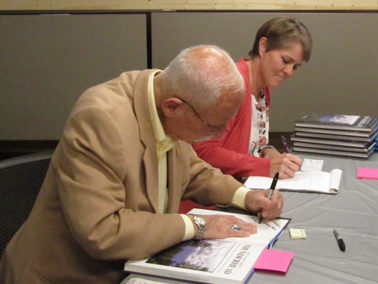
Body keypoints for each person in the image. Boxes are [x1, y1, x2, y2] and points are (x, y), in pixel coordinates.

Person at [0, 45, 283, 283]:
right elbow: (103, 231)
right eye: (213, 126)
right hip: (67, 276)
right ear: (173, 106)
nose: (220, 135)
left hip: (128, 267)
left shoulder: (173, 99)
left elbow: (191, 170)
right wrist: (197, 225)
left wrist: (246, 196)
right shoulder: (101, 119)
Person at [192, 17, 313, 179]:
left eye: (295, 67)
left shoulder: (263, 88)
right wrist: (266, 166)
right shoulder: (230, 85)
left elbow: (253, 145)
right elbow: (205, 153)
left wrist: (267, 151)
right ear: (263, 46)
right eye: (285, 61)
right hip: (211, 198)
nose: (289, 71)